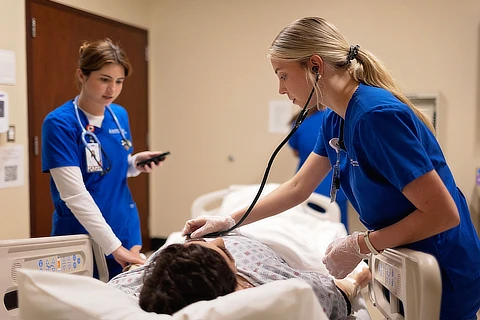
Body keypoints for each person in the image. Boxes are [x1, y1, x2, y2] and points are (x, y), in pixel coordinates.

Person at [182, 17, 480, 319]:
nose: (280, 90)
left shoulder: (375, 117)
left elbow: (443, 213)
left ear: (315, 65)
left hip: (442, 266)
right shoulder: (335, 117)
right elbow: (299, 187)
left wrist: (360, 244)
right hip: (406, 259)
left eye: (283, 75)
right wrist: (228, 220)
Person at [42, 38, 165, 279]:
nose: (112, 90)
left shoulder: (118, 114)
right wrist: (113, 247)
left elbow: (109, 170)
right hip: (81, 233)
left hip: (124, 226)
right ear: (82, 75)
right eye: (104, 80)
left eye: (119, 82)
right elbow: (74, 194)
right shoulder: (59, 124)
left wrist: (134, 163)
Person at [108, 235, 371, 319]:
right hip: (275, 237)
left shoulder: (135, 284)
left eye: (198, 242)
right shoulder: (287, 289)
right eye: (223, 250)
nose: (221, 238)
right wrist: (359, 277)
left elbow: (132, 271)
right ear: (236, 281)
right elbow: (342, 290)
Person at [289, 108, 349, 231]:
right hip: (336, 187)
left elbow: (296, 151)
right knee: (337, 231)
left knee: (307, 232)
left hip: (306, 186)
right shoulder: (337, 119)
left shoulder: (300, 122)